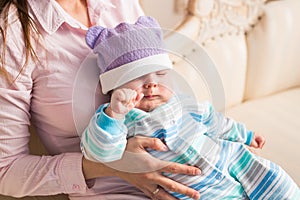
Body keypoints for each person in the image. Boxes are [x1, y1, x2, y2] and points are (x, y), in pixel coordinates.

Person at [81, 16, 300, 200]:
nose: (151, 83)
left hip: (228, 156)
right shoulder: (118, 120)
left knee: (275, 180)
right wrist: (114, 115)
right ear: (113, 87)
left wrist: (245, 135)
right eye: (136, 77)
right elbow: (101, 153)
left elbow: (214, 121)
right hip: (199, 187)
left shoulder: (182, 103)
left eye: (160, 73)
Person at [0, 1, 202, 200]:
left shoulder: (121, 3)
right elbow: (5, 172)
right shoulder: (12, 32)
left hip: (177, 169)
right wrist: (113, 165)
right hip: (110, 192)